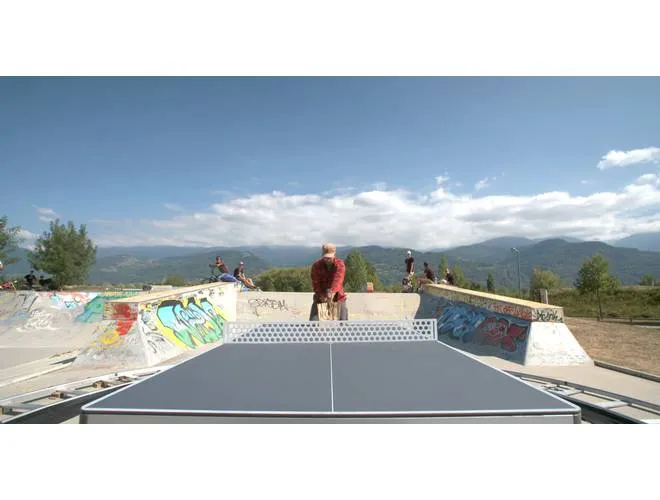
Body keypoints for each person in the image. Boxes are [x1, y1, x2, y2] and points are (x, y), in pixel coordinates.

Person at [309, 243, 348, 321]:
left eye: (329, 257)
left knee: (343, 322)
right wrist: (321, 296)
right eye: (325, 257)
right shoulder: (316, 266)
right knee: (313, 322)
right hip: (320, 298)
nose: (327, 260)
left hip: (338, 297)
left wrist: (332, 292)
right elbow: (316, 283)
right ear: (322, 254)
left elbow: (338, 280)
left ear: (334, 254)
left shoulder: (340, 264)